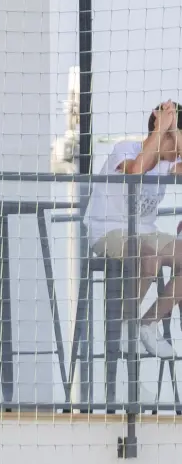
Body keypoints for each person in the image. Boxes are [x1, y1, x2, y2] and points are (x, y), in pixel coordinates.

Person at [85, 100, 182, 358]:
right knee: (148, 256)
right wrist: (162, 130)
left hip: (145, 231)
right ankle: (126, 328)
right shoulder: (124, 150)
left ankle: (148, 324)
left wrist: (175, 135)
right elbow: (137, 170)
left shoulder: (170, 162)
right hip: (108, 230)